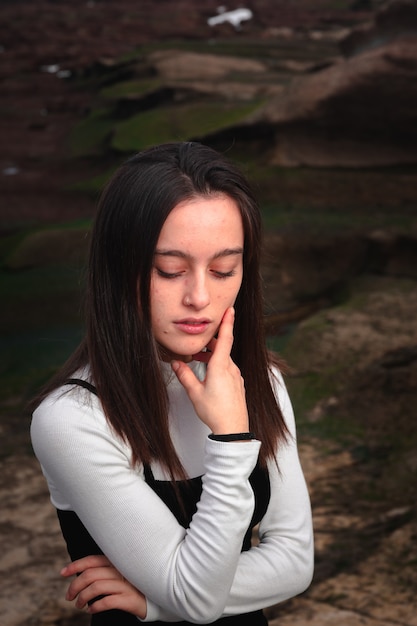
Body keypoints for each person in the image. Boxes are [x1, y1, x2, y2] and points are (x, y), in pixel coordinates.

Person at [30, 141, 313, 625]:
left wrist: (156, 601)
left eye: (224, 269)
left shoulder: (259, 381)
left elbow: (294, 562)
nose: (200, 296)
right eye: (170, 270)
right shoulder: (71, 419)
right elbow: (198, 601)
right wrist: (230, 439)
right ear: (119, 269)